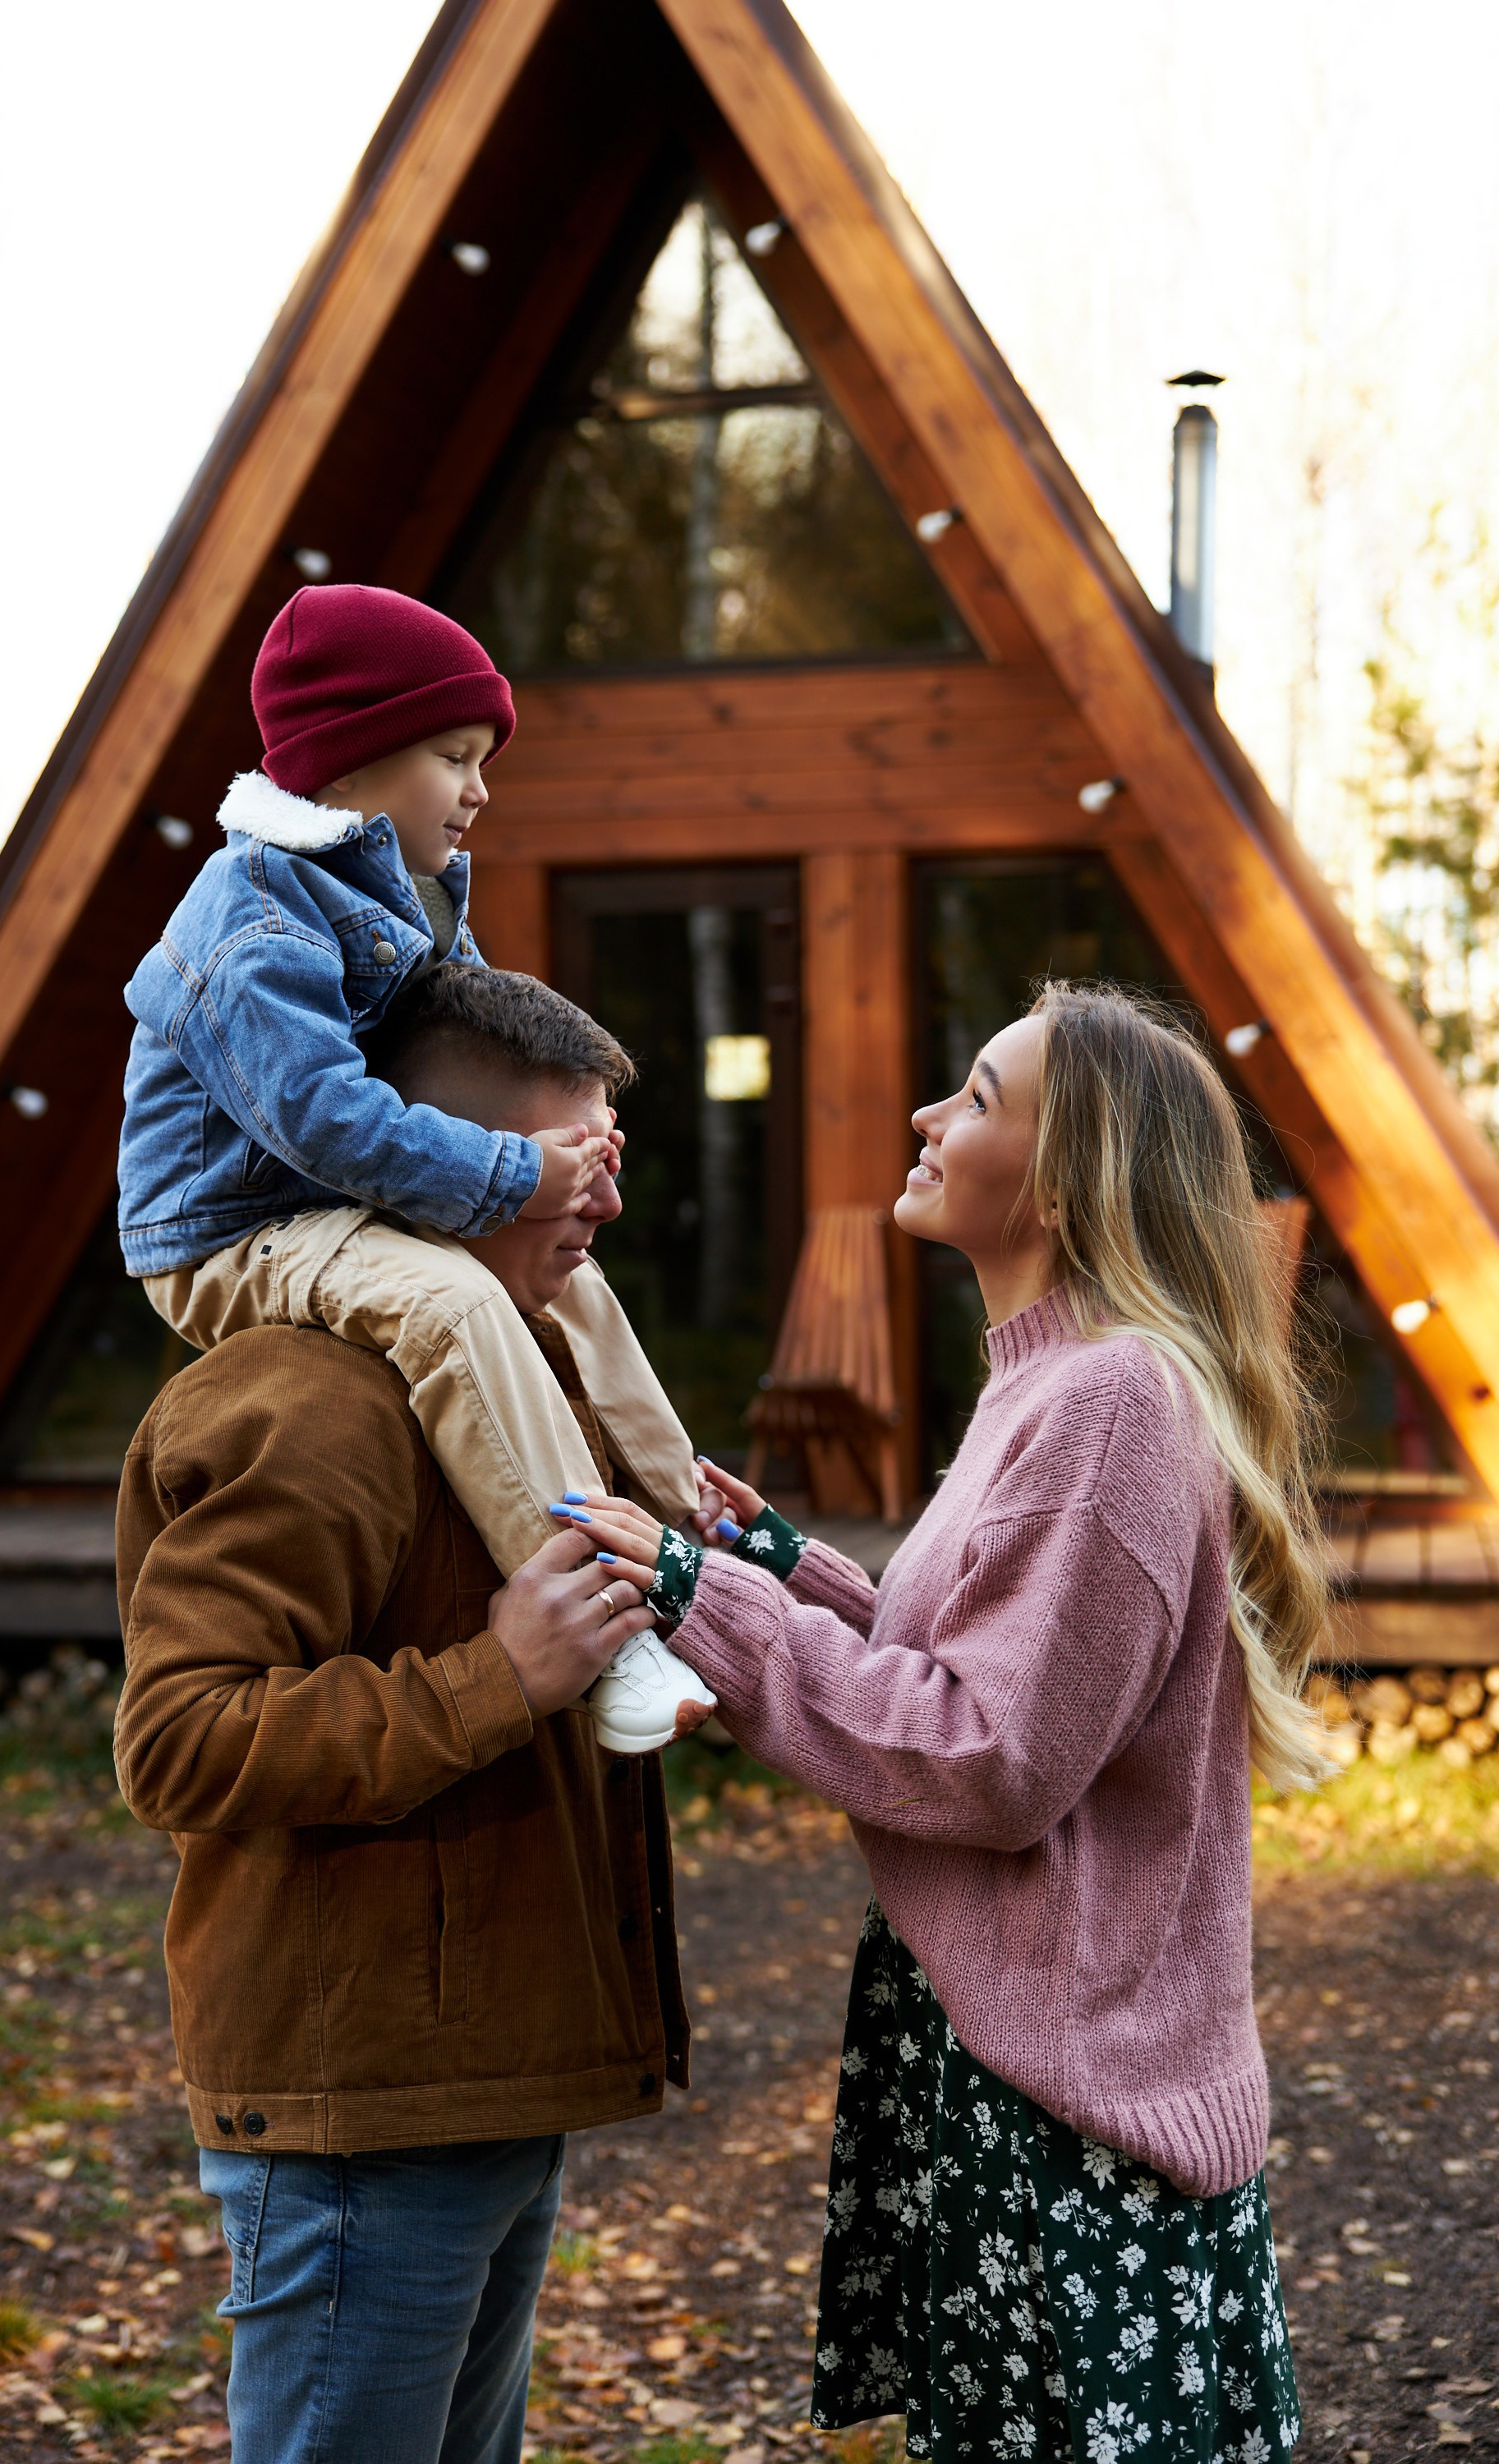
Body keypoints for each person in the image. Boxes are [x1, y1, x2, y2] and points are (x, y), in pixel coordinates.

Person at [563, 981, 1327, 2462]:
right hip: (1012, 2040)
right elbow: (997, 1662)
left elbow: (991, 1757)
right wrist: (795, 1578)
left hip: (1063, 2104)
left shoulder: (1107, 1404)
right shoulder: (1050, 1383)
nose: (926, 1116)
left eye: (977, 1096)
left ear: (1067, 1173)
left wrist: (698, 1600)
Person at [114, 966, 695, 2464]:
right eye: (566, 1167)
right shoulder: (306, 1403)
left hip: (485, 2082)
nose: (603, 1209)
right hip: (358, 2121)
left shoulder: (516, 1366)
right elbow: (177, 1740)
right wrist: (500, 1675)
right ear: (432, 1166)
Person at [116, 581, 711, 1749]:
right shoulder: (251, 921)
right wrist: (511, 1172)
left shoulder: (407, 899)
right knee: (449, 1301)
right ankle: (603, 1630)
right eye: (454, 754)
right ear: (347, 767)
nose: (482, 787)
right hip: (235, 1231)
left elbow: (469, 1048)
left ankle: (689, 1536)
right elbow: (325, 1120)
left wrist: (562, 1141)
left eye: (483, 757)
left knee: (576, 1289)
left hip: (341, 1208)